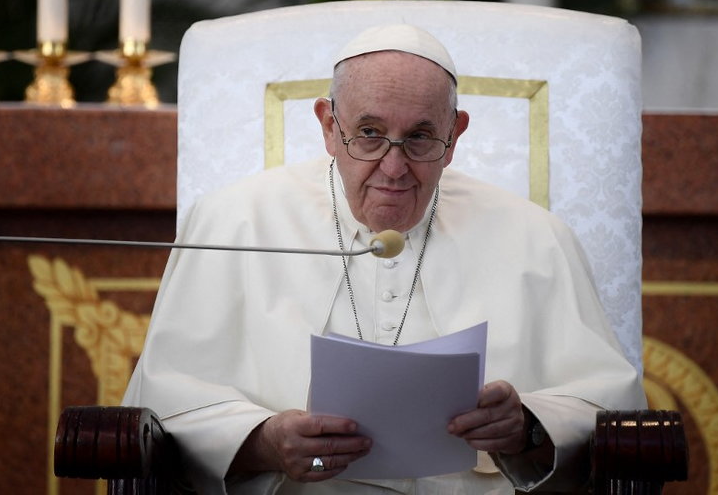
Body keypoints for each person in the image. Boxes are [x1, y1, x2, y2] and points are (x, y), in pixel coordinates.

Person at [123, 24, 645, 494]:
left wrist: (529, 425)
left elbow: (607, 408)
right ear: (329, 125)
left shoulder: (538, 238)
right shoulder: (232, 222)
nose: (393, 168)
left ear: (455, 134)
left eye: (420, 137)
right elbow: (165, 398)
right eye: (369, 133)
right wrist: (261, 441)